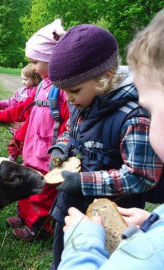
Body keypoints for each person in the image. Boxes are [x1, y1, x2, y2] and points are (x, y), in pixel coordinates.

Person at [46, 23, 164, 269]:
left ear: (105, 78)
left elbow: (140, 177)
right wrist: (60, 147)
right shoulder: (82, 102)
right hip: (72, 208)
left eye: (74, 90)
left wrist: (82, 182)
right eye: (64, 91)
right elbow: (70, 131)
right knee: (63, 256)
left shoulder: (134, 117)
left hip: (114, 219)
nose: (68, 98)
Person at [0, 19, 70, 240]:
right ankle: (24, 216)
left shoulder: (63, 91)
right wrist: (5, 118)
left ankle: (38, 228)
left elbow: (68, 123)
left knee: (42, 193)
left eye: (36, 61)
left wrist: (61, 151)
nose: (34, 67)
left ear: (51, 59)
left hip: (48, 155)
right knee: (25, 185)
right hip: (32, 151)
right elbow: (25, 111)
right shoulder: (42, 88)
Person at [0, 64, 41, 161]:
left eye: (26, 79)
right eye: (22, 79)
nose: (23, 82)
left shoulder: (37, 92)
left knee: (25, 142)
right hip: (17, 123)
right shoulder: (21, 91)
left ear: (35, 78)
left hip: (27, 124)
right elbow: (12, 102)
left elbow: (26, 108)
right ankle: (13, 157)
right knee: (16, 140)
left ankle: (27, 158)